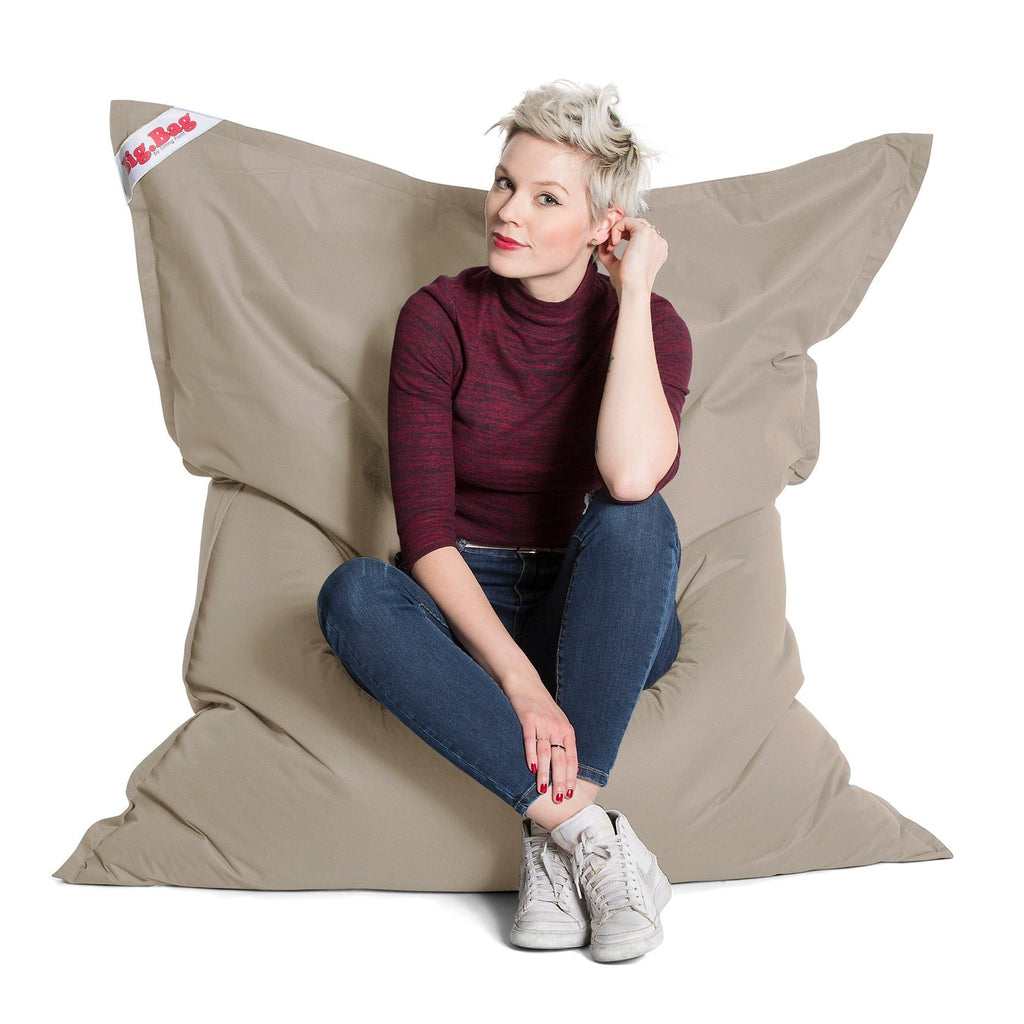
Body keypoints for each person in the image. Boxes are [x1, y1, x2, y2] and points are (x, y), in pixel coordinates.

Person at [318, 81, 692, 963]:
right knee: (356, 595)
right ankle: (589, 841)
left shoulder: (654, 328)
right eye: (503, 183)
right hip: (462, 597)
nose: (507, 212)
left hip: (590, 598)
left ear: (606, 225)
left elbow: (631, 476)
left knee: (637, 524)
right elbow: (426, 536)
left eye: (546, 197)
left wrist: (633, 294)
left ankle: (556, 839)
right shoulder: (437, 317)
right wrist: (521, 685)